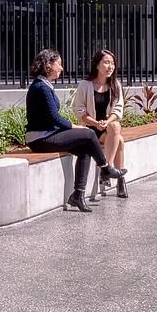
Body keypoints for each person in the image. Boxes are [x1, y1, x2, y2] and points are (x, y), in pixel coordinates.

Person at [26, 48, 124, 212]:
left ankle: (78, 195)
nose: (62, 69)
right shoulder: (41, 87)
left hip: (48, 134)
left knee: (85, 148)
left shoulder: (44, 85)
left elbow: (52, 118)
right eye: (60, 64)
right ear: (49, 65)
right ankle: (106, 169)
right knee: (89, 133)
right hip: (39, 139)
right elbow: (54, 118)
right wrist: (75, 126)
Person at [73, 47, 129, 199]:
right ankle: (119, 180)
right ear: (97, 65)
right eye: (106, 62)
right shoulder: (85, 85)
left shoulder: (115, 85)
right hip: (90, 130)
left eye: (112, 63)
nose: (110, 66)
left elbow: (118, 109)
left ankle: (108, 168)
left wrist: (106, 122)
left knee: (115, 125)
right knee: (121, 142)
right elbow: (79, 110)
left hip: (107, 130)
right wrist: (95, 122)